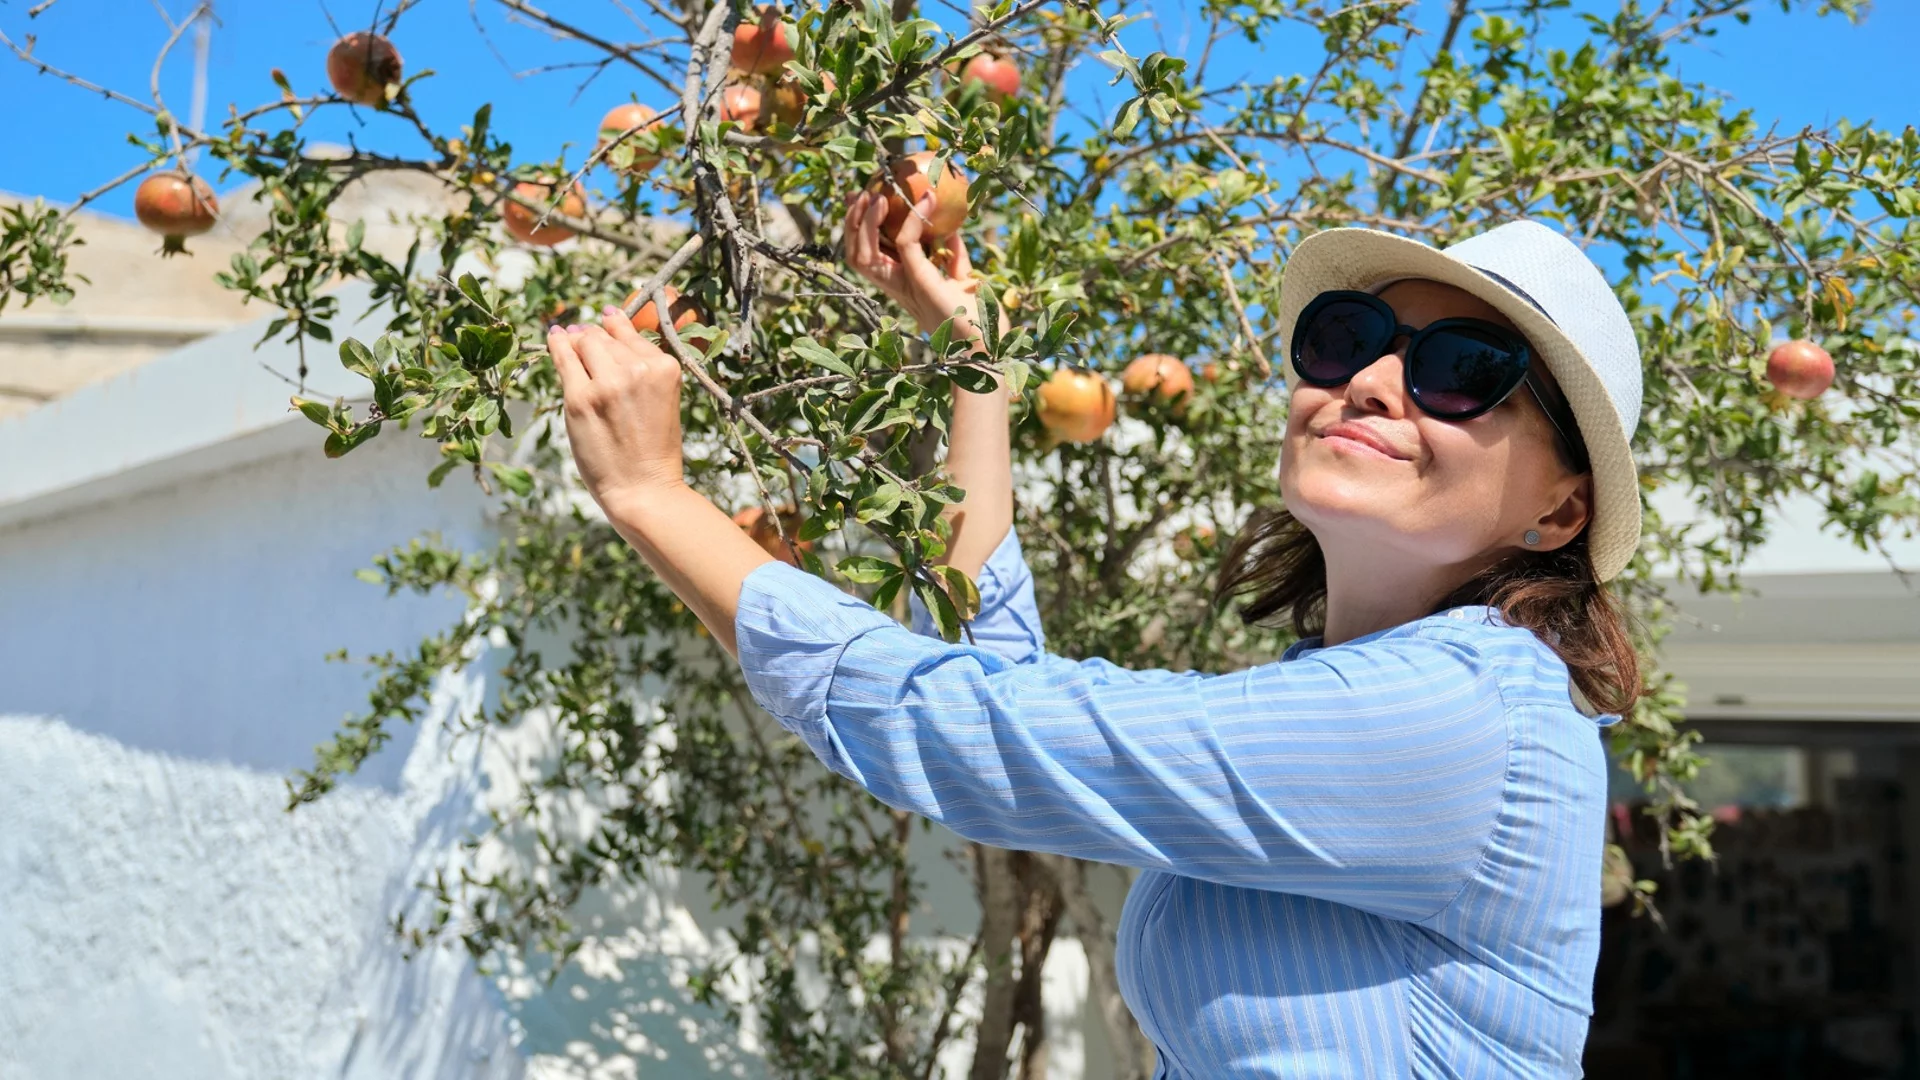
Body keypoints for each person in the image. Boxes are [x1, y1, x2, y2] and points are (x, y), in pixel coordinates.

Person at [544, 193, 1647, 1078]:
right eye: (1348, 337)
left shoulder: (1464, 717)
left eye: (1463, 370)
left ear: (1559, 511)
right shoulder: (1360, 695)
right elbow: (998, 689)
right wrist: (969, 363)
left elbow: (976, 733)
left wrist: (655, 496)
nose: (1366, 382)